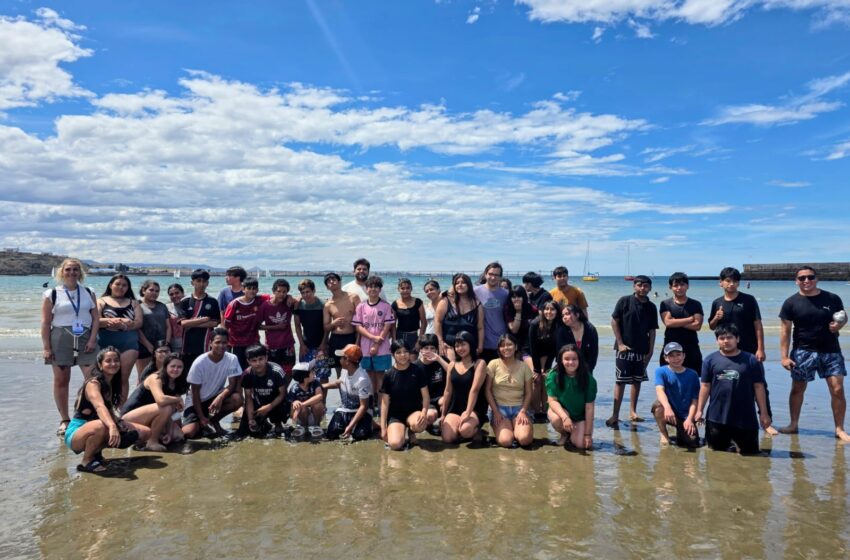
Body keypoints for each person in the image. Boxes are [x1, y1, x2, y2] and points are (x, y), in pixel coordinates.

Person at [778, 266, 850, 441]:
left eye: (810, 277)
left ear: (817, 279)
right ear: (796, 281)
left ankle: (839, 429)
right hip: (803, 351)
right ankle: (793, 424)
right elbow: (785, 331)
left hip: (831, 351)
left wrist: (839, 325)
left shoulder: (832, 298)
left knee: (838, 389)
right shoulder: (790, 302)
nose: (806, 281)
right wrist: (784, 356)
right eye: (802, 278)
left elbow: (843, 316)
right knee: (798, 389)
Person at [708, 267, 777, 436]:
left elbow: (757, 325)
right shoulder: (717, 302)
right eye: (728, 281)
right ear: (721, 283)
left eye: (735, 281)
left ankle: (766, 420)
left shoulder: (749, 299)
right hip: (726, 351)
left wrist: (761, 348)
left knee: (759, 385)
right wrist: (716, 317)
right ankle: (728, 419)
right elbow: (711, 327)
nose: (731, 284)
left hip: (750, 350)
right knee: (727, 383)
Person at [65, 347, 150, 473]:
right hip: (77, 432)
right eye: (108, 361)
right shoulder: (93, 383)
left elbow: (109, 411)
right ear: (100, 365)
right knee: (101, 425)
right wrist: (112, 426)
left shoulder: (111, 383)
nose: (113, 364)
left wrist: (119, 424)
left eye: (116, 360)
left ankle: (97, 452)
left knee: (145, 432)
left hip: (101, 427)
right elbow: (100, 407)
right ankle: (86, 461)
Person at [41, 258, 100, 436]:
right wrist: (46, 347)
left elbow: (96, 318)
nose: (71, 273)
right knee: (61, 380)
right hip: (60, 337)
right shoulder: (52, 294)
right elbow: (45, 323)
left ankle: (88, 415)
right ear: (62, 272)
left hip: (85, 336)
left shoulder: (89, 292)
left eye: (75, 269)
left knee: (93, 380)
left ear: (80, 272)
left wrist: (91, 339)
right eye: (68, 269)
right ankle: (65, 420)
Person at [695, 325, 771, 454]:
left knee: (751, 455)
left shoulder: (751, 360)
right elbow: (705, 386)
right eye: (721, 338)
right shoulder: (709, 360)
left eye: (730, 337)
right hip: (717, 417)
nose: (726, 341)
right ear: (717, 341)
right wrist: (699, 410)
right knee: (717, 455)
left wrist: (764, 412)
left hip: (745, 417)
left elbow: (759, 387)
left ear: (738, 339)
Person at [608, 275, 658, 427]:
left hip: (641, 349)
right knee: (620, 381)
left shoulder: (651, 307)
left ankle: (632, 412)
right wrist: (620, 343)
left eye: (646, 286)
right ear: (634, 286)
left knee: (637, 381)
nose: (642, 288)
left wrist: (650, 351)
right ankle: (615, 414)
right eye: (639, 285)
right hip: (624, 349)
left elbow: (652, 330)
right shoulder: (624, 301)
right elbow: (614, 321)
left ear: (650, 288)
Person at [181, 328, 244, 438]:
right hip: (196, 402)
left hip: (214, 398)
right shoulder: (199, 363)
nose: (221, 345)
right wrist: (200, 417)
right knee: (188, 433)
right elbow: (195, 393)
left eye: (224, 342)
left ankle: (213, 420)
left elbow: (232, 384)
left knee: (237, 398)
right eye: (218, 342)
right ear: (210, 343)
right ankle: (201, 422)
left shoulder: (232, 358)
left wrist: (220, 397)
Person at [121, 352, 188, 451]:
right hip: (129, 417)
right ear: (165, 366)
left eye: (179, 367)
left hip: (151, 416)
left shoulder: (176, 383)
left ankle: (147, 438)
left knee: (178, 436)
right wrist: (178, 399)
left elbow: (172, 410)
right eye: (172, 366)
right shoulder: (156, 378)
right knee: (165, 407)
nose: (175, 369)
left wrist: (169, 432)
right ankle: (152, 441)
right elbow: (160, 400)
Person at [97, 274, 143, 405]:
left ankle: (122, 409)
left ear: (128, 288)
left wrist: (125, 325)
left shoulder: (133, 303)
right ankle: (105, 407)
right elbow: (96, 320)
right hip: (105, 343)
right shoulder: (101, 301)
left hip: (128, 343)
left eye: (124, 285)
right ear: (111, 285)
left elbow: (139, 322)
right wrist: (116, 321)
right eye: (117, 284)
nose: (120, 287)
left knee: (123, 378)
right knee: (105, 377)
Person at [436, 330, 489, 443]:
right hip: (455, 406)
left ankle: (476, 429)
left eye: (463, 344)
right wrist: (443, 414)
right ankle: (462, 431)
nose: (460, 348)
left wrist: (468, 412)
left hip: (474, 407)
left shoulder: (479, 363)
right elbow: (447, 391)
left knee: (465, 430)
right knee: (448, 438)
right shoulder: (452, 365)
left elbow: (474, 390)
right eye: (457, 346)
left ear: (471, 344)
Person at [352, 275, 395, 410]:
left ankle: (381, 404)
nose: (373, 289)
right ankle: (371, 403)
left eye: (376, 287)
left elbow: (387, 326)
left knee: (380, 376)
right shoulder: (361, 306)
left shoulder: (386, 306)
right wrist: (372, 337)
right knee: (368, 375)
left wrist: (377, 343)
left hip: (382, 347)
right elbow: (358, 327)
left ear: (380, 289)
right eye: (370, 287)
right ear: (366, 289)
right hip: (365, 347)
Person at [485, 333, 534, 448]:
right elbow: (487, 390)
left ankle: (519, 428)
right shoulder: (493, 364)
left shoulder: (524, 367)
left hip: (519, 408)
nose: (506, 348)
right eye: (502, 345)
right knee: (505, 441)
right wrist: (495, 411)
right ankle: (509, 428)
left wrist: (523, 411)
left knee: (524, 439)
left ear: (516, 346)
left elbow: (529, 392)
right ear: (499, 348)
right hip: (499, 409)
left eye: (509, 344)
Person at [380, 342, 429, 450]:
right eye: (398, 352)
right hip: (396, 415)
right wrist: (383, 427)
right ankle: (402, 434)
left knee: (419, 424)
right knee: (395, 444)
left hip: (413, 412)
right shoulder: (388, 375)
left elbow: (426, 396)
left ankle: (411, 432)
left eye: (406, 351)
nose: (403, 355)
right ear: (393, 355)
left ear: (410, 352)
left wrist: (424, 413)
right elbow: (384, 403)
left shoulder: (417, 370)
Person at [546, 344, 597, 449]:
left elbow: (589, 408)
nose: (570, 362)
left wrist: (587, 435)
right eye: (567, 359)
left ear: (579, 360)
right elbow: (552, 401)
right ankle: (564, 434)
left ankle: (573, 433)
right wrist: (565, 418)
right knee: (556, 419)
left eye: (574, 359)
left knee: (581, 445)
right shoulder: (553, 375)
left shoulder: (588, 379)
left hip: (580, 417)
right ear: (561, 360)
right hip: (562, 413)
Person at [650, 342, 700, 448]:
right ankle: (664, 434)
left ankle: (681, 430)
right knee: (658, 406)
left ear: (684, 355)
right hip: (669, 412)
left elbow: (695, 400)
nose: (675, 358)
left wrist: (690, 419)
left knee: (692, 443)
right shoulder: (661, 371)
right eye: (671, 356)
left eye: (678, 354)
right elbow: (659, 390)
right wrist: (667, 408)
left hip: (686, 415)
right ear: (666, 358)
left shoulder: (693, 374)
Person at [323, 344, 374, 441]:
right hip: (345, 409)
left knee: (360, 436)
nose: (339, 360)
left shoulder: (362, 379)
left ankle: (371, 424)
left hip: (362, 411)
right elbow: (339, 382)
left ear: (347, 361)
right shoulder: (344, 370)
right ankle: (352, 423)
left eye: (341, 358)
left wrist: (350, 427)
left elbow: (364, 406)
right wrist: (323, 386)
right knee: (331, 434)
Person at [505, 285, 541, 419]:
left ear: (524, 297)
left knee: (534, 377)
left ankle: (533, 409)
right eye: (513, 296)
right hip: (511, 349)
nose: (516, 299)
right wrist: (518, 312)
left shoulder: (532, 309)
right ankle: (514, 407)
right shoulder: (508, 309)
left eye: (519, 296)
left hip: (528, 348)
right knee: (512, 379)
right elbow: (513, 329)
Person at [239, 344, 289, 437]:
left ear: (266, 358)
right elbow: (248, 398)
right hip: (259, 402)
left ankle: (278, 423)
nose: (258, 363)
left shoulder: (276, 371)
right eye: (254, 361)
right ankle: (263, 423)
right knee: (244, 432)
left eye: (261, 359)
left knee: (279, 431)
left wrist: (269, 407)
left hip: (277, 401)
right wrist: (250, 420)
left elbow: (282, 394)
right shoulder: (246, 374)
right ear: (248, 362)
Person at [659, 272, 704, 372]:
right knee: (669, 380)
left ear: (687, 286)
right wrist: (689, 319)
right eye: (675, 285)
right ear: (670, 287)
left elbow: (697, 326)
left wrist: (675, 321)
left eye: (682, 285)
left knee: (693, 379)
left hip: (691, 347)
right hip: (670, 347)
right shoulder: (666, 304)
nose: (679, 288)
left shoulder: (695, 304)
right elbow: (668, 323)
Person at [178, 269, 220, 370]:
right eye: (198, 281)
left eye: (204, 281)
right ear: (192, 282)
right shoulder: (185, 301)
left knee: (205, 374)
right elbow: (183, 323)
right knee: (187, 375)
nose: (201, 284)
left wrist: (191, 323)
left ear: (207, 283)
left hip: (205, 345)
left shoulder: (212, 301)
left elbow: (214, 323)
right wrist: (203, 320)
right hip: (187, 345)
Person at [434, 273, 484, 356]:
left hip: (470, 348)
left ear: (469, 285)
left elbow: (480, 328)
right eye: (457, 283)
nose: (460, 285)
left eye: (463, 282)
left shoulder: (477, 304)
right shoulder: (446, 301)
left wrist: (480, 346)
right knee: (451, 368)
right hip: (449, 347)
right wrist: (440, 342)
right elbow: (437, 322)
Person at [323, 272, 360, 379]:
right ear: (326, 287)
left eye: (334, 279)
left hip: (351, 338)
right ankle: (343, 396)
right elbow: (326, 327)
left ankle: (357, 396)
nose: (331, 282)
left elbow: (361, 322)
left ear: (339, 282)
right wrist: (333, 324)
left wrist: (357, 342)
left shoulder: (353, 297)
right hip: (335, 339)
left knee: (354, 371)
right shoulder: (328, 305)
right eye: (328, 281)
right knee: (340, 373)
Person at [258, 278, 297, 378]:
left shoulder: (288, 303)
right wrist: (276, 327)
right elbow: (258, 326)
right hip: (272, 345)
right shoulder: (265, 306)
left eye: (285, 292)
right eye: (279, 291)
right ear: (274, 291)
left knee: (289, 372)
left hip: (288, 344)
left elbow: (300, 299)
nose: (281, 294)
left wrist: (290, 297)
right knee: (272, 372)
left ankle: (284, 392)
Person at [222, 277, 263, 369]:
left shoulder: (259, 300)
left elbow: (274, 297)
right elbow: (226, 325)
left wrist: (289, 297)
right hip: (237, 344)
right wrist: (226, 343)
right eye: (249, 288)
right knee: (239, 370)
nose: (252, 291)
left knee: (255, 369)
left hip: (254, 342)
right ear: (243, 289)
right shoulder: (234, 304)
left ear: (257, 290)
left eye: (254, 289)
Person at [475, 262, 510, 362]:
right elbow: (456, 294)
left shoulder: (506, 294)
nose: (493, 277)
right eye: (490, 274)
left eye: (496, 275)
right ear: (485, 274)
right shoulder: (475, 291)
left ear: (500, 277)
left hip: (501, 342)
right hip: (482, 342)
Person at [136, 280, 171, 378]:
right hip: (144, 347)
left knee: (162, 375)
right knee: (143, 376)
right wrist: (149, 346)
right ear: (143, 290)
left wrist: (167, 344)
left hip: (162, 346)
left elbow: (168, 326)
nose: (154, 293)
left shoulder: (162, 306)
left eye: (157, 291)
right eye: (151, 290)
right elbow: (137, 328)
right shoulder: (137, 305)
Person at [554, 304, 599, 373]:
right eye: (563, 316)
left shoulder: (590, 329)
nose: (564, 317)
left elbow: (593, 353)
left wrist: (588, 370)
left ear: (577, 315)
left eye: (567, 314)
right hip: (567, 367)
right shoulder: (562, 331)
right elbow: (559, 354)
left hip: (586, 368)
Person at [415, 334, 445, 428]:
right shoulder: (415, 367)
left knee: (445, 401)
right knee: (430, 415)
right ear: (420, 349)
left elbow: (455, 373)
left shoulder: (442, 361)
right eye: (426, 348)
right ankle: (428, 425)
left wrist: (439, 359)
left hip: (441, 398)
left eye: (432, 348)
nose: (429, 351)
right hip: (425, 402)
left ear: (436, 349)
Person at [288, 361, 326, 435]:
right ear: (305, 377)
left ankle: (317, 426)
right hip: (301, 417)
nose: (314, 372)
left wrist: (302, 404)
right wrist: (294, 403)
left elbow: (319, 396)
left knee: (317, 403)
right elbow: (292, 413)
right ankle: (304, 427)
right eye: (311, 371)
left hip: (314, 416)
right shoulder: (294, 388)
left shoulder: (315, 383)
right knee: (299, 406)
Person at [392, 277, 426, 352]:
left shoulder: (418, 302)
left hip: (414, 336)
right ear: (398, 289)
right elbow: (393, 324)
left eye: (408, 288)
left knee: (413, 361)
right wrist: (394, 340)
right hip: (399, 336)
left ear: (411, 289)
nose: (405, 290)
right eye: (402, 288)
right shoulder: (395, 304)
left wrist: (419, 341)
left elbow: (424, 322)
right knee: (401, 361)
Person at [528, 300, 560, 376]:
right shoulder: (535, 324)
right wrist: (536, 369)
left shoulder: (558, 325)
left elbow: (555, 347)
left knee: (546, 375)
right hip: (530, 352)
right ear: (543, 311)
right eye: (546, 309)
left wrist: (557, 363)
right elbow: (533, 348)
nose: (549, 312)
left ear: (557, 311)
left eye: (552, 309)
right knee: (537, 378)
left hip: (546, 352)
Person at [165, 283, 185, 356]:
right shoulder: (166, 307)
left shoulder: (190, 306)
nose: (174, 296)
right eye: (171, 294)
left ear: (183, 293)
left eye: (177, 293)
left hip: (189, 344)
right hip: (173, 345)